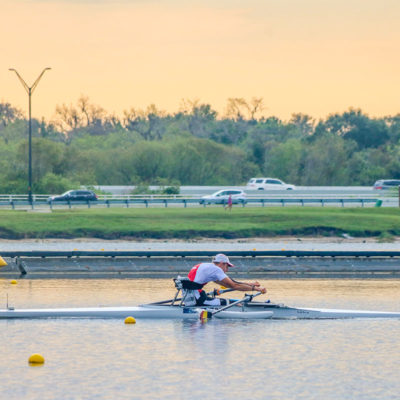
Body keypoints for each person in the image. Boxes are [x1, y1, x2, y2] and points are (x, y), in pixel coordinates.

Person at [186, 253, 266, 306]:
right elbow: (234, 285)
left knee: (228, 300)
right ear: (222, 263)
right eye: (227, 266)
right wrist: (257, 289)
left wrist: (249, 284)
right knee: (232, 302)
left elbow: (229, 284)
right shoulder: (216, 269)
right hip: (199, 299)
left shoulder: (205, 266)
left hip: (190, 298)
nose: (227, 270)